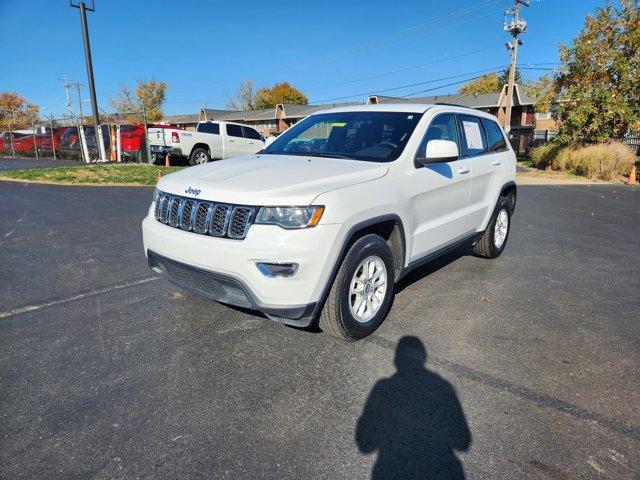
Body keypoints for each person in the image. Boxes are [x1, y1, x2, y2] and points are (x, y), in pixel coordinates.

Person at [356, 336, 471, 479]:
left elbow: (365, 445)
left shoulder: (383, 387)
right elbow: (462, 442)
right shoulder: (443, 387)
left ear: (396, 359)